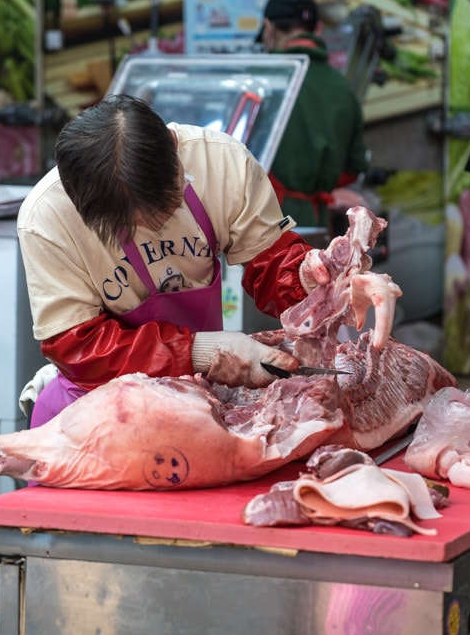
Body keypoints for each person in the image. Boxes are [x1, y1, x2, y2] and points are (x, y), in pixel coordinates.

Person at [17, 94, 330, 428]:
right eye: (129, 222)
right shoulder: (46, 218)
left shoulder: (221, 164)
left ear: (176, 151)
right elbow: (77, 346)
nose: (150, 227)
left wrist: (319, 282)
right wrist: (202, 352)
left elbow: (272, 265)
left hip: (196, 400)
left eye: (162, 210)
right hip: (92, 407)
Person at [257, 0, 369, 228]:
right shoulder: (341, 87)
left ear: (268, 28)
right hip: (317, 224)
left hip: (264, 224)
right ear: (318, 29)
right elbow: (355, 166)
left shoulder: (260, 80)